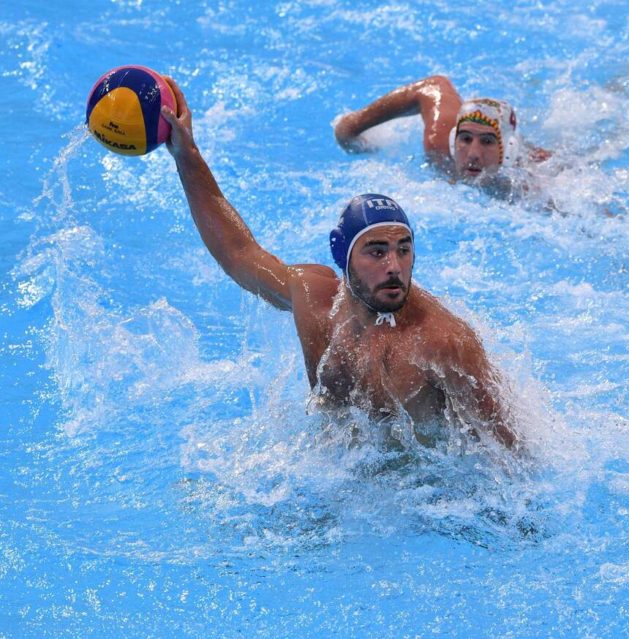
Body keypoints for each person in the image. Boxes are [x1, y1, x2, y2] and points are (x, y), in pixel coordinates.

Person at [159, 77, 517, 449]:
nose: (394, 266)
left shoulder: (443, 342)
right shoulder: (313, 299)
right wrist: (187, 156)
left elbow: (513, 457)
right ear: (340, 254)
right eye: (376, 251)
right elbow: (238, 253)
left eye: (403, 249)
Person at [333, 75, 551, 188]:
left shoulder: (525, 181)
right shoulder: (439, 144)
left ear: (508, 149)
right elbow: (434, 85)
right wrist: (351, 126)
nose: (473, 153)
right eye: (465, 139)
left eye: (486, 142)